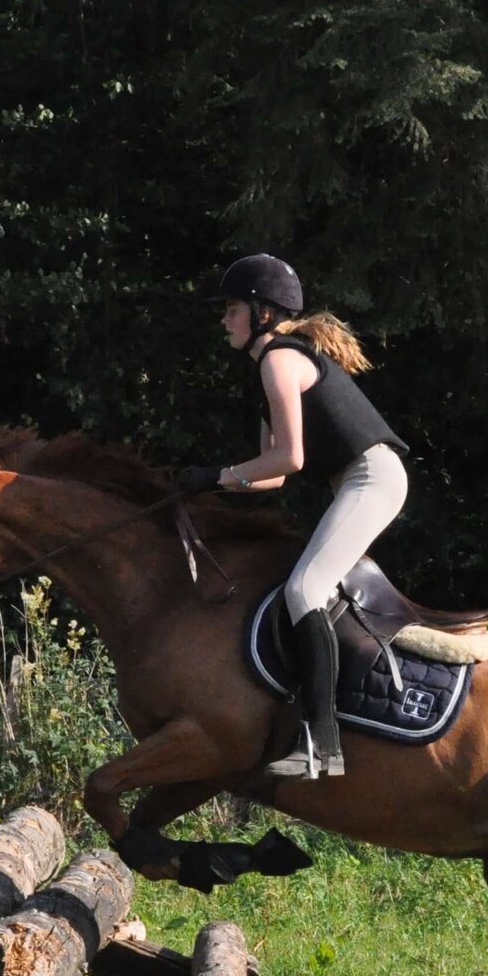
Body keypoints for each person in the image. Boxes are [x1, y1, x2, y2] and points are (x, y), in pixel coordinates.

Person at [176, 253, 410, 780]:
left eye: (232, 308)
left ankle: (322, 744)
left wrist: (217, 474)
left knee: (304, 590)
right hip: (360, 479)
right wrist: (205, 483)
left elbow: (291, 459)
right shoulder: (273, 365)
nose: (224, 319)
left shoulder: (278, 359)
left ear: (262, 312)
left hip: (371, 478)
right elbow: (274, 475)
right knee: (304, 588)